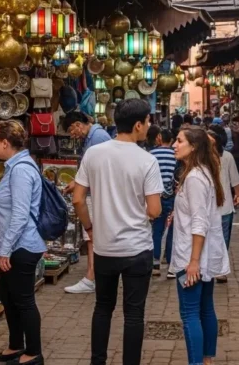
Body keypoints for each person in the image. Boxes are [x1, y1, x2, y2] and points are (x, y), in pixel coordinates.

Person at [72, 99, 164, 365]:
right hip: (137, 248)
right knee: (134, 314)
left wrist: (90, 227)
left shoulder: (94, 154)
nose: (148, 127)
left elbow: (78, 199)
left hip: (104, 247)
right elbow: (155, 209)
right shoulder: (147, 161)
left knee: (103, 308)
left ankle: (97, 361)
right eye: (147, 122)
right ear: (137, 125)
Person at [170, 126, 231, 365]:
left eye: (179, 141)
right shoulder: (202, 172)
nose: (175, 145)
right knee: (205, 308)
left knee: (190, 313)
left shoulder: (195, 177)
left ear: (193, 147)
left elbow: (199, 221)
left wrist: (193, 261)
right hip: (202, 255)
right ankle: (207, 360)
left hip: (192, 256)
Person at [0, 120, 47, 365]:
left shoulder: (22, 169)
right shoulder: (14, 167)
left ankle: (33, 352)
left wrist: (5, 250)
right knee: (7, 294)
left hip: (22, 246)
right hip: (15, 245)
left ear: (5, 143)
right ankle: (16, 345)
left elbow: (20, 214)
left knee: (23, 299)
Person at [62, 111, 113, 295]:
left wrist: (79, 185)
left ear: (78, 124)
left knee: (91, 236)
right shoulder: (95, 137)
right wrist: (76, 182)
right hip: (95, 191)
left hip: (95, 193)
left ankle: (91, 278)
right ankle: (94, 276)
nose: (71, 134)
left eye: (71, 130)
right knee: (92, 237)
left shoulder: (97, 138)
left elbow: (99, 170)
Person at [207, 124, 239, 282]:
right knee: (215, 238)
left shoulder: (226, 157)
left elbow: (235, 180)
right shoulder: (202, 158)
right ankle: (213, 268)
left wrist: (238, 196)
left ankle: (219, 269)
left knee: (222, 239)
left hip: (224, 206)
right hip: (210, 207)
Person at [148, 126, 178, 274]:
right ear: (171, 140)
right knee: (173, 230)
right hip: (173, 196)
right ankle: (171, 264)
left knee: (157, 230)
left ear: (159, 138)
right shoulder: (176, 154)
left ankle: (155, 263)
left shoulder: (151, 154)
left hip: (157, 196)